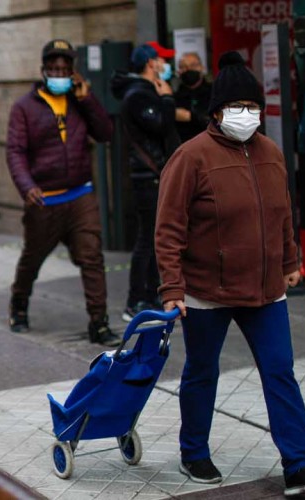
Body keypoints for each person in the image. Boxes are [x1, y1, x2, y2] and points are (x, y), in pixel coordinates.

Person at [155, 52, 305, 497]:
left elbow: (283, 214)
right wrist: (171, 287)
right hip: (205, 290)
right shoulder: (190, 156)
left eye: (254, 107)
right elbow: (169, 227)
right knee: (202, 371)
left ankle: (299, 465)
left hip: (265, 288)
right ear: (216, 112)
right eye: (238, 107)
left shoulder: (271, 153)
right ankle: (194, 452)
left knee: (280, 371)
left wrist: (290, 262)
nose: (247, 115)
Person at [6, 39, 119, 346]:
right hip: (45, 198)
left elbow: (106, 133)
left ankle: (99, 321)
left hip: (80, 194)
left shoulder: (79, 101)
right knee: (33, 258)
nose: (59, 73)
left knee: (92, 257)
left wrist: (88, 99)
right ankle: (19, 302)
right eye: (54, 68)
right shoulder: (25, 108)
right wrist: (27, 187)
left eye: (65, 69)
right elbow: (15, 151)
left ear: (73, 73)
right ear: (43, 71)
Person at [111, 43, 180, 323]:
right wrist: (167, 99)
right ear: (151, 63)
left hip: (152, 175)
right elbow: (161, 124)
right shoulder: (138, 95)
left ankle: (149, 294)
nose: (165, 64)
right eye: (162, 59)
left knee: (155, 238)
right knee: (147, 239)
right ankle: (136, 300)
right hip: (147, 177)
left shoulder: (142, 92)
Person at [174, 52, 213, 143]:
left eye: (193, 65)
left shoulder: (215, 92)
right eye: (183, 67)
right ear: (178, 71)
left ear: (202, 68)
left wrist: (191, 117)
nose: (188, 69)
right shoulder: (175, 98)